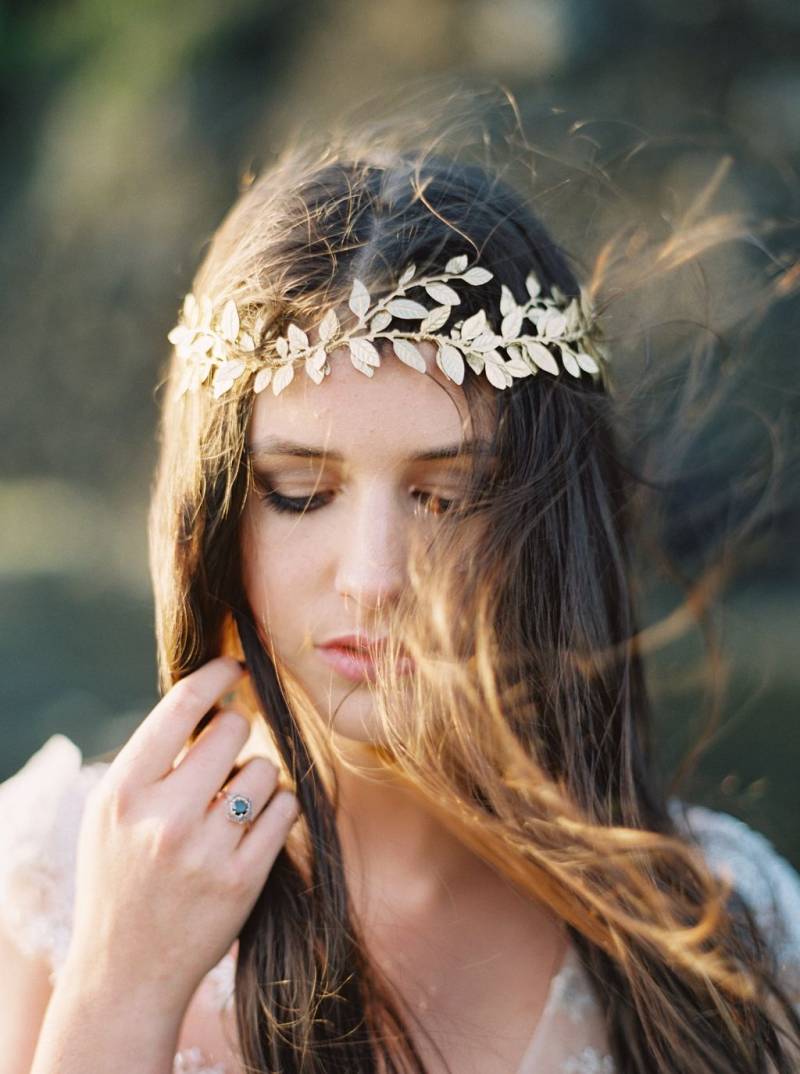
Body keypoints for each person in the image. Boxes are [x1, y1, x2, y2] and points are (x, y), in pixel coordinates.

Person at [2, 118, 799, 1074]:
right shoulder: (42, 881)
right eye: (300, 493)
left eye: (446, 498)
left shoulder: (723, 923)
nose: (375, 577)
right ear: (211, 509)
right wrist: (118, 989)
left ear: (550, 520)